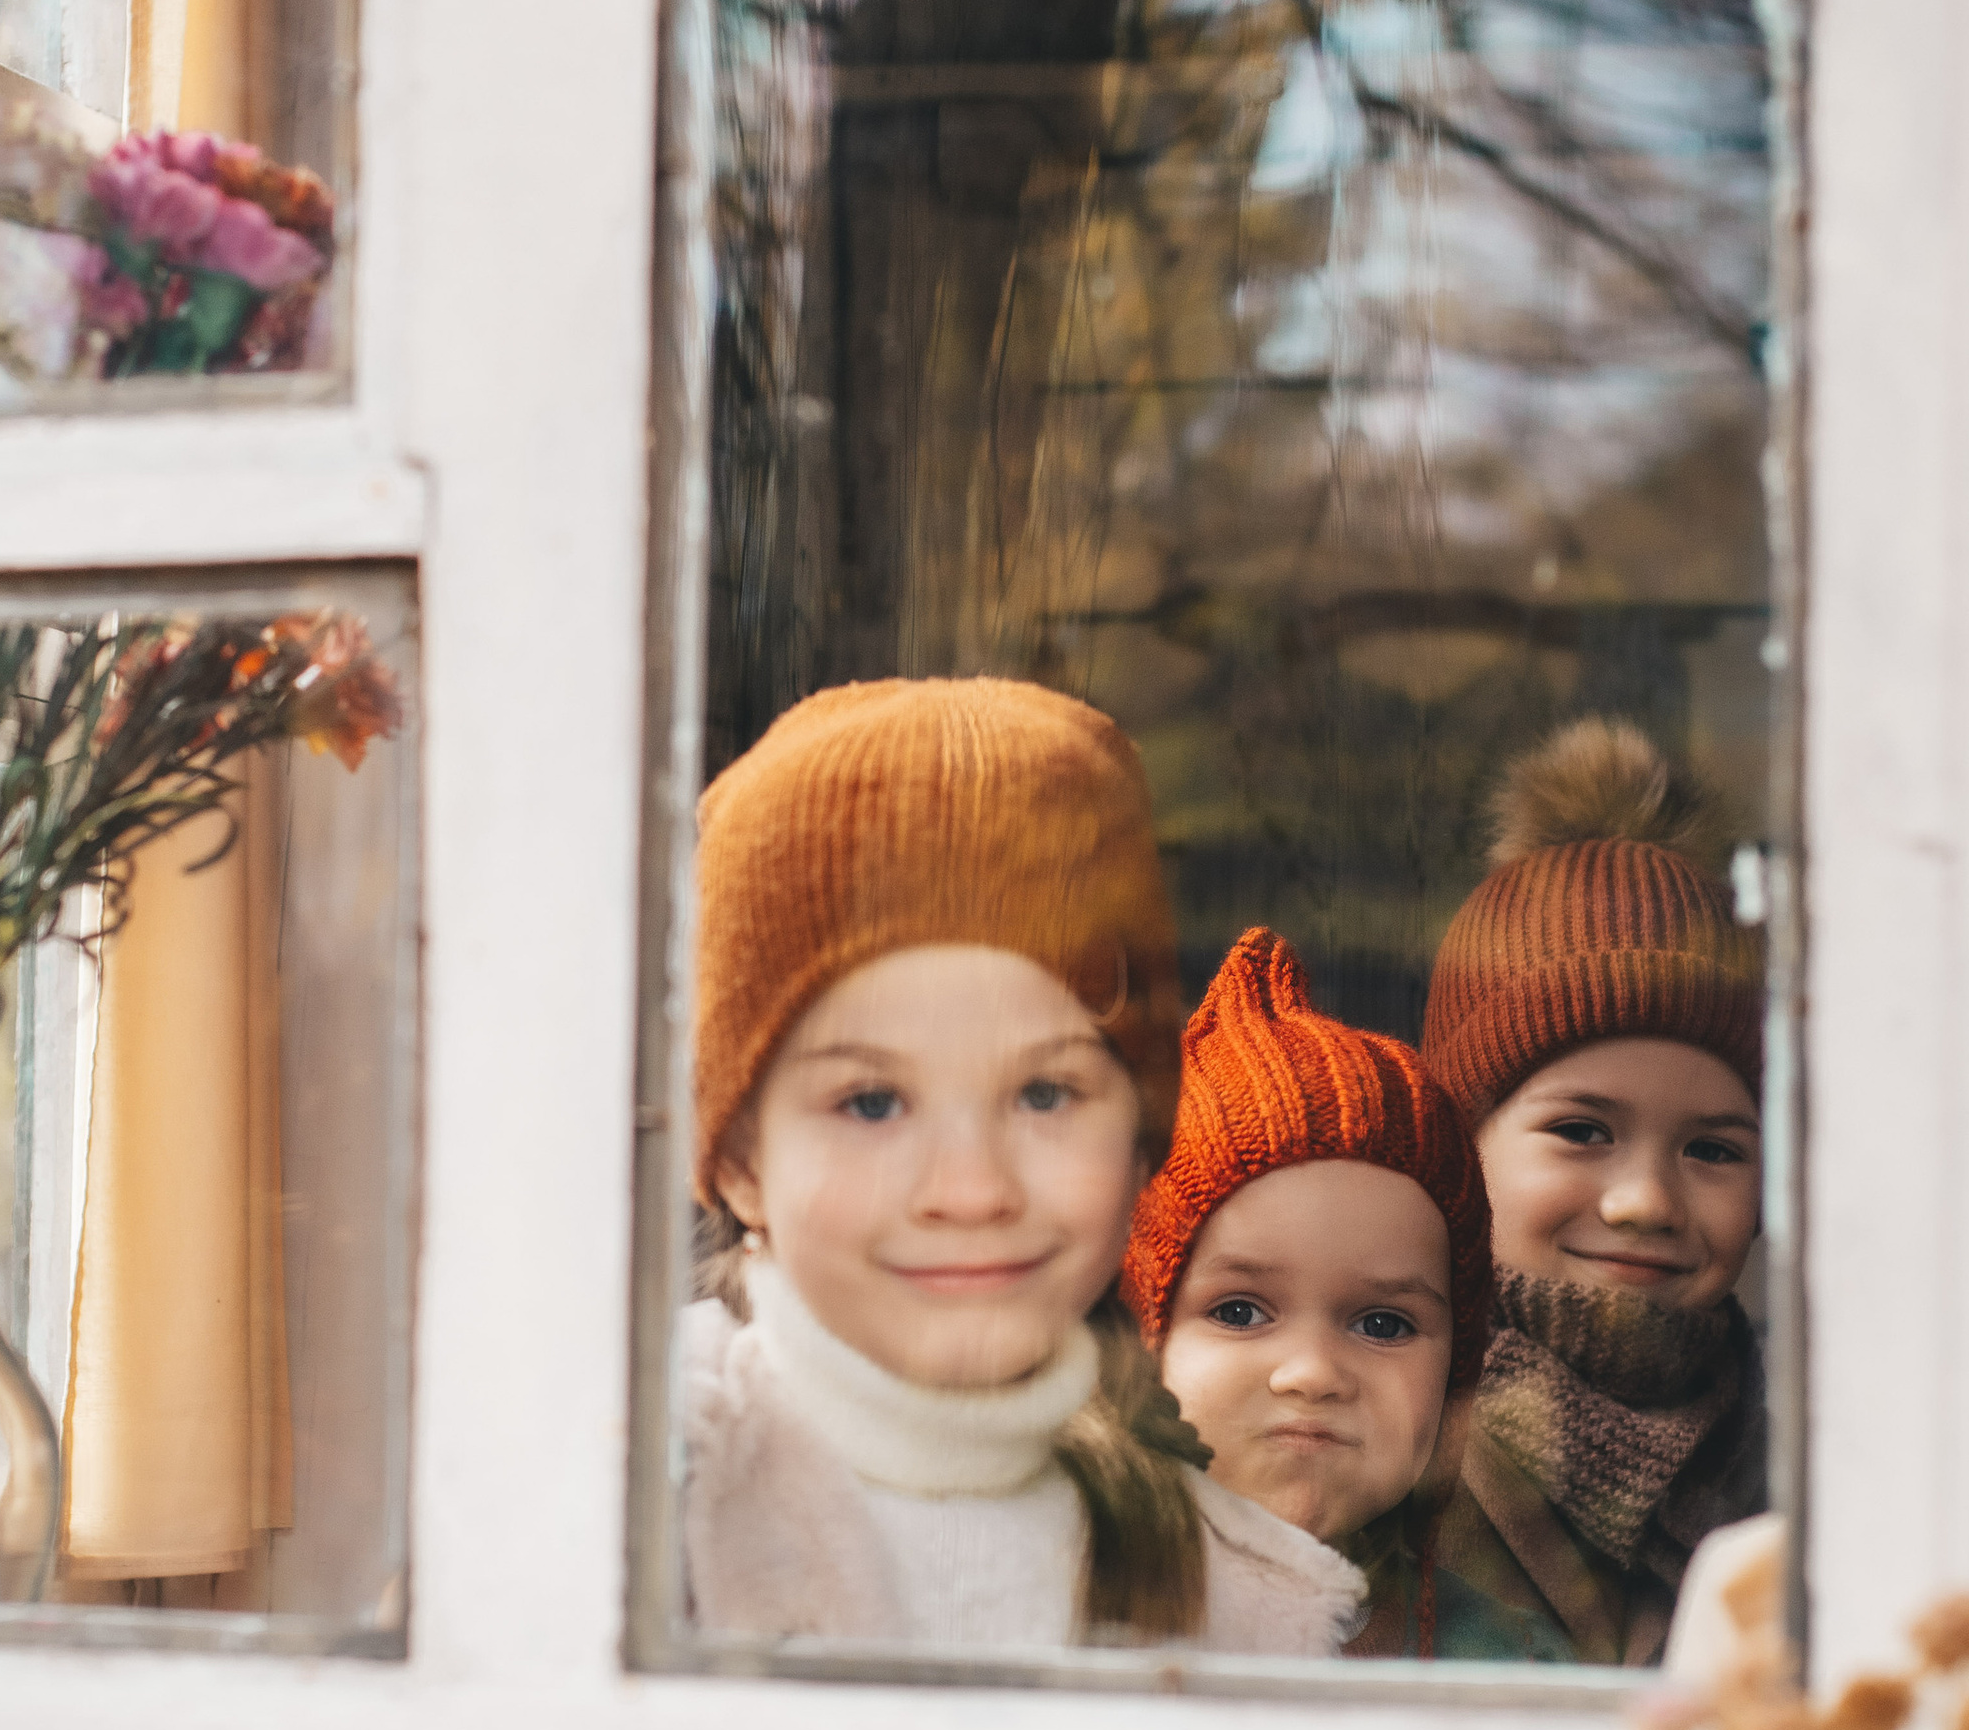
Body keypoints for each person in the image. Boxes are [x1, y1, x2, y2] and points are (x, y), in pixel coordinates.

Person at [677, 677, 1363, 1657]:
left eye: (1045, 1094)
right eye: (870, 1102)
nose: (972, 1191)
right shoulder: (621, 1501)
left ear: (1141, 1138)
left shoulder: (1249, 1611)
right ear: (742, 1163)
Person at [1420, 717, 1767, 1666]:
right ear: (1460, 1147)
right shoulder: (1382, 1441)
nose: (1643, 1201)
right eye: (1581, 1132)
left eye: (1714, 1149)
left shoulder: (1816, 1471)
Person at [1120, 925, 1561, 1658]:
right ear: (1141, 1338)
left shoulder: (1511, 1669)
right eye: (1239, 1312)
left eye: (1383, 1324)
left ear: (1457, 1369)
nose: (1313, 1373)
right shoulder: (1059, 1628)